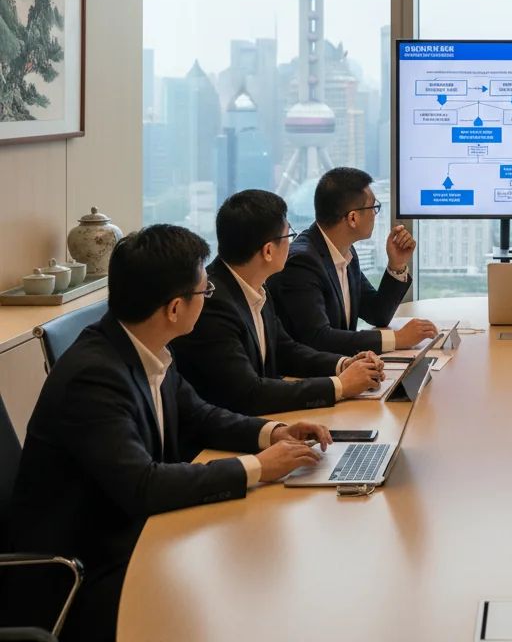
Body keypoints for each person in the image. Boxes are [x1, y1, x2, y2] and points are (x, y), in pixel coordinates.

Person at [2, 226, 332, 642]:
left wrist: (274, 432)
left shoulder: (146, 345)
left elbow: (200, 416)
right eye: (204, 292)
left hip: (139, 539)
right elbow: (143, 485)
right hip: (87, 571)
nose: (209, 297)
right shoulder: (94, 377)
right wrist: (257, 468)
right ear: (175, 308)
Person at [171, 190, 387, 415]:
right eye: (288, 236)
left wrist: (344, 364)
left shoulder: (256, 286)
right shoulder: (213, 302)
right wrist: (340, 386)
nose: (292, 243)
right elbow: (249, 393)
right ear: (268, 251)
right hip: (224, 438)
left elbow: (285, 350)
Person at [271, 167, 436, 355]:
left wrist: (396, 266)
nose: (375, 214)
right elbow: (318, 338)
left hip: (345, 368)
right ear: (353, 218)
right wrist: (397, 339)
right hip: (306, 377)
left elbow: (376, 314)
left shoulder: (345, 251)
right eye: (373, 207)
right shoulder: (302, 262)